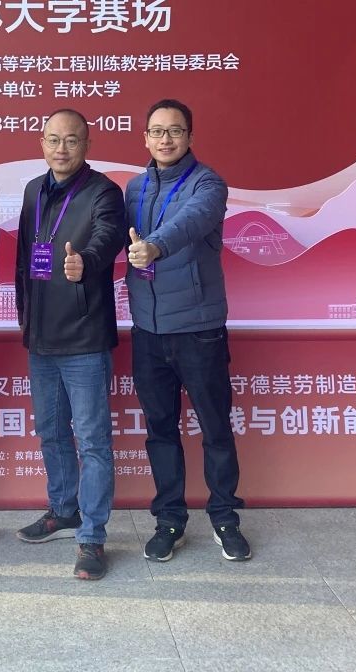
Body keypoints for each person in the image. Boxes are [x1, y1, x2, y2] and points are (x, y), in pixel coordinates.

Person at [124, 99, 251, 563]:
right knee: (160, 431)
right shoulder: (134, 188)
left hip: (199, 330)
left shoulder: (208, 183)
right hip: (147, 332)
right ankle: (169, 520)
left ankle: (225, 518)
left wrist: (155, 247)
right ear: (145, 138)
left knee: (215, 428)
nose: (165, 139)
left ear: (190, 137)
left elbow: (190, 222)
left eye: (175, 131)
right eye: (157, 131)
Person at [13, 110, 125, 580]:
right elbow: (24, 258)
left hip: (83, 339)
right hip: (41, 339)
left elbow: (108, 238)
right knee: (52, 433)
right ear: (41, 143)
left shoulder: (104, 192)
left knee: (93, 441)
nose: (62, 149)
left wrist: (87, 263)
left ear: (87, 144)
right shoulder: (33, 191)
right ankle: (63, 510)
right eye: (54, 140)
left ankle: (92, 537)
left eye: (72, 140)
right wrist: (25, 320)